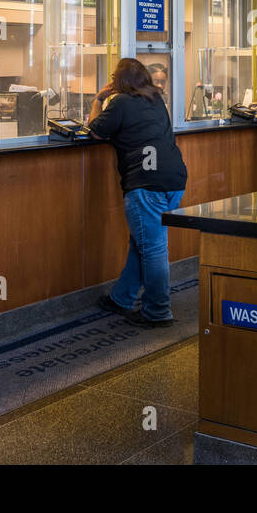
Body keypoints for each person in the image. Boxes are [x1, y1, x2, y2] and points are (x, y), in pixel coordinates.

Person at [86, 58, 188, 328]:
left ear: (118, 81)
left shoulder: (120, 103)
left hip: (146, 184)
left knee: (152, 248)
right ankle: (121, 298)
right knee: (143, 242)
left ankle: (158, 312)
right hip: (174, 180)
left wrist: (98, 100)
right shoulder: (157, 99)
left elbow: (94, 131)